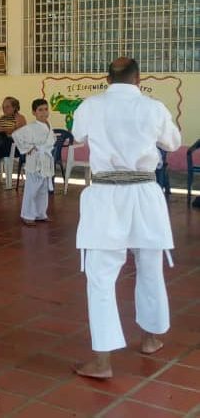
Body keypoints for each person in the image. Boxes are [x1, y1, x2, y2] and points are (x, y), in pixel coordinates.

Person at [71, 58, 181, 380]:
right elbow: (172, 143)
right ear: (138, 79)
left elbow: (77, 136)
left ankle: (102, 362)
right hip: (145, 194)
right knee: (150, 269)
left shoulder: (91, 105)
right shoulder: (153, 107)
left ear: (107, 78)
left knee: (101, 277)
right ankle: (149, 339)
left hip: (106, 195)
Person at [12, 99, 55, 226]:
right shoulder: (31, 127)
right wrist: (28, 148)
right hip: (35, 160)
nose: (44, 112)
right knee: (32, 188)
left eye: (46, 109)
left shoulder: (48, 124)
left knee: (42, 188)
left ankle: (41, 213)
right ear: (34, 112)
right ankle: (27, 214)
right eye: (40, 110)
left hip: (45, 159)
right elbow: (16, 135)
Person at [0, 96, 27, 176]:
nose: (4, 109)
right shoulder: (2, 118)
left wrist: (4, 130)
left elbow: (19, 134)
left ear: (14, 107)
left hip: (14, 147)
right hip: (1, 145)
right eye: (3, 107)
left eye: (7, 107)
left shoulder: (19, 118)